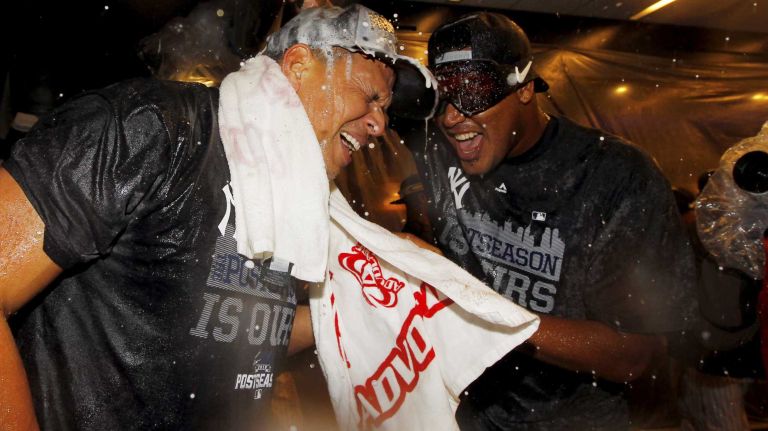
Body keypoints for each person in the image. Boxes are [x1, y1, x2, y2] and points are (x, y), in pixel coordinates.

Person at [0, 4, 436, 430]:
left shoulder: (297, 194)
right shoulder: (152, 127)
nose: (380, 124)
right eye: (371, 96)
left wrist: (378, 296)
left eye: (385, 108)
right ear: (300, 66)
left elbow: (242, 330)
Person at [410, 12, 697, 430]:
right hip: (468, 413)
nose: (452, 117)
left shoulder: (613, 176)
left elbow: (636, 354)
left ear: (525, 88)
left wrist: (474, 305)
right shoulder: (439, 144)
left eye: (472, 91)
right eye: (441, 96)